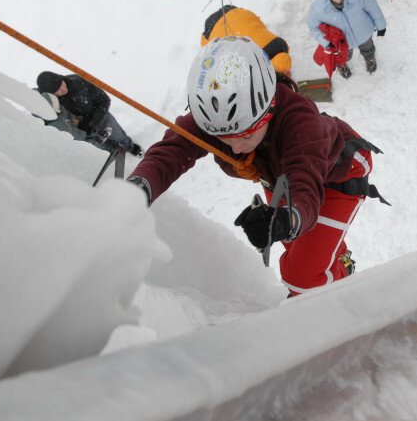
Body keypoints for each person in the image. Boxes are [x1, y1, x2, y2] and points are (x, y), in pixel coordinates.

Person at [126, 36, 388, 297]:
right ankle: (327, 245)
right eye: (224, 140)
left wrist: (290, 219)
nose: (236, 149)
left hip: (340, 173)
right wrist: (139, 188)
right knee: (289, 237)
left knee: (300, 278)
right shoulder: (216, 112)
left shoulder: (301, 122)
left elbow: (304, 186)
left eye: (245, 136)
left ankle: (342, 271)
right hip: (281, 173)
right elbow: (173, 151)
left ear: (268, 110)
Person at [36, 71, 143, 157]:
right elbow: (35, 102)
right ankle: (116, 154)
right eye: (57, 90)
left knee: (119, 136)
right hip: (84, 132)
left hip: (102, 119)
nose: (63, 89)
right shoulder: (52, 101)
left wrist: (94, 124)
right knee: (104, 147)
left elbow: (104, 100)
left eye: (61, 84)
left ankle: (130, 147)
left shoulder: (79, 82)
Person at [307, 0, 386, 78]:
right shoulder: (318, 9)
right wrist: (325, 42)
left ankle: (370, 60)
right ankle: (342, 64)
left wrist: (381, 26)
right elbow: (313, 27)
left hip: (363, 34)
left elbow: (373, 8)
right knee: (343, 56)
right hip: (342, 42)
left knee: (368, 49)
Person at [201, 5, 292, 74]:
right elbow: (206, 46)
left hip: (239, 13)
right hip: (214, 28)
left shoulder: (282, 45)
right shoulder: (257, 63)